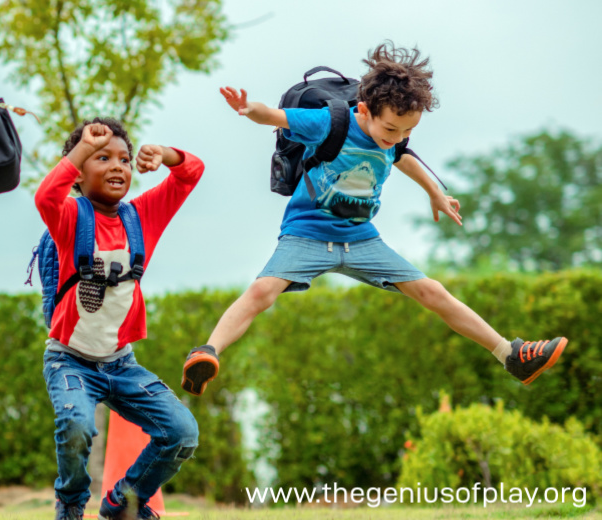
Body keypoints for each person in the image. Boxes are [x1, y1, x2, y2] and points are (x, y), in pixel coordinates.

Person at [181, 43, 568, 398]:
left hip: (362, 239)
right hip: (307, 234)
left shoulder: (394, 136)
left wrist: (434, 191)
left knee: (432, 291)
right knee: (261, 292)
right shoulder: (329, 123)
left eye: (407, 130)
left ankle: (511, 355)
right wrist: (252, 111)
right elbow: (277, 116)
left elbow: (403, 157)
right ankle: (207, 352)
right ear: (364, 110)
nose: (397, 137)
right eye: (390, 129)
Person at [36, 119, 203, 520]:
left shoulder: (142, 216)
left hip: (121, 364)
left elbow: (191, 172)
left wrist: (163, 155)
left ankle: (123, 503)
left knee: (182, 432)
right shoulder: (71, 218)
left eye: (124, 159)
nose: (117, 166)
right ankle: (72, 504)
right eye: (102, 157)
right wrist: (77, 154)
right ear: (77, 172)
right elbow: (45, 197)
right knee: (77, 425)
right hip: (69, 360)